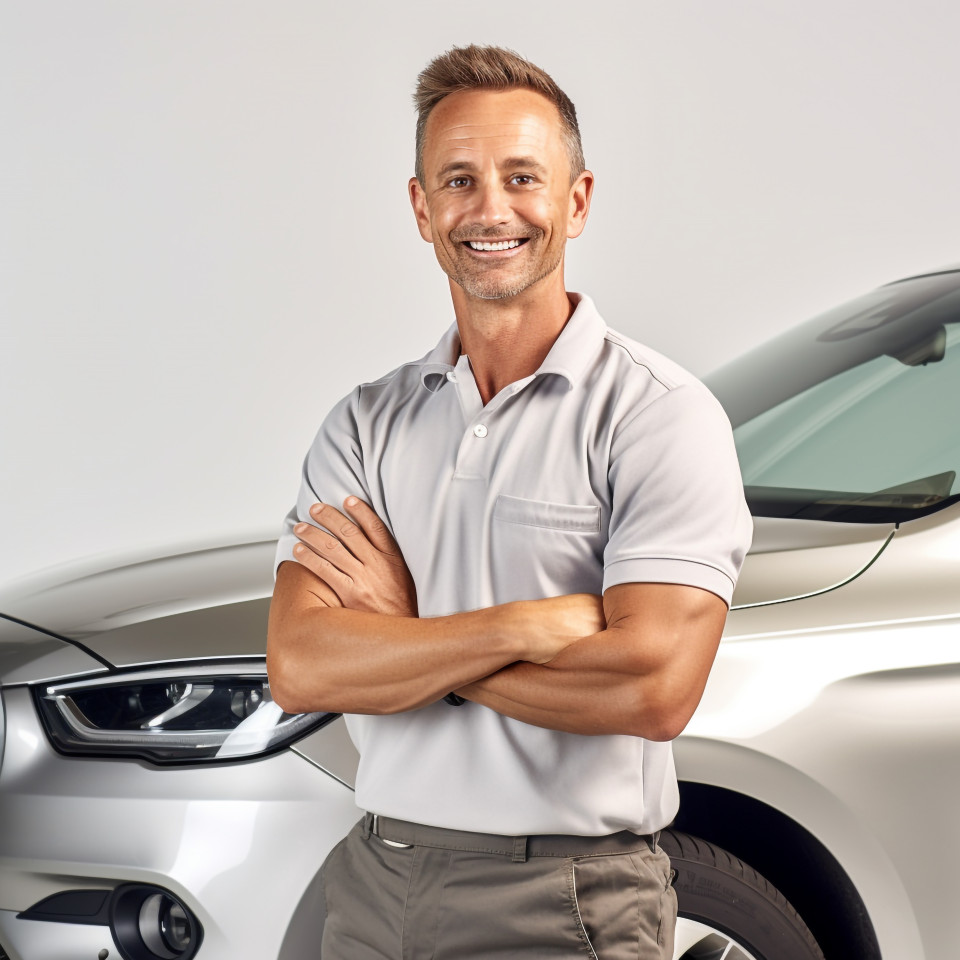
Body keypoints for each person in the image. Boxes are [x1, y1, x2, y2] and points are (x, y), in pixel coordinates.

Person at [267, 44, 752, 960]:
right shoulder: (366, 424)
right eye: (458, 180)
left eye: (521, 177)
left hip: (565, 893)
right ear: (421, 208)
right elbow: (301, 665)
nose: (491, 209)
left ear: (576, 201)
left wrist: (406, 633)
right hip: (377, 882)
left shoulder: (660, 417)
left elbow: (654, 688)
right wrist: (525, 627)